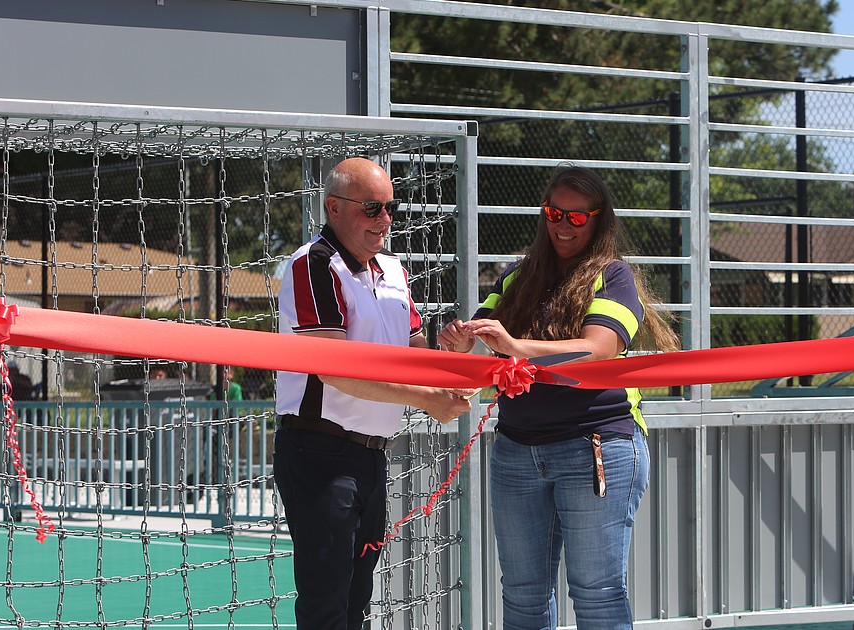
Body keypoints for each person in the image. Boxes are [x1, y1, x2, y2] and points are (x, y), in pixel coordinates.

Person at [437, 164, 679, 630]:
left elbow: (596, 348)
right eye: (554, 213)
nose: (563, 225)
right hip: (516, 450)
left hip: (595, 447)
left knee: (597, 593)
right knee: (523, 596)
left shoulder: (614, 276)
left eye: (576, 217)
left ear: (599, 221)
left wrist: (515, 346)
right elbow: (481, 338)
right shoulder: (516, 276)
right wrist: (460, 340)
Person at [273, 157, 474, 630]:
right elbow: (335, 371)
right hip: (318, 452)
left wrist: (456, 354)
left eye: (390, 208)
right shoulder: (312, 265)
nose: (385, 220)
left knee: (357, 601)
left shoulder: (393, 270)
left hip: (370, 456)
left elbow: (417, 354)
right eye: (371, 208)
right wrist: (428, 400)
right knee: (327, 604)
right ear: (334, 208)